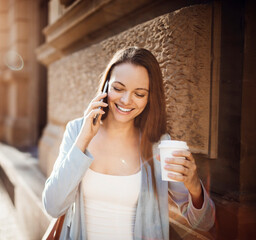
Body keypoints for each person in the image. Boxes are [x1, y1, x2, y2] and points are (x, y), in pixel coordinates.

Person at [42, 47, 215, 240]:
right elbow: (53, 206)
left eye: (139, 94)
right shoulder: (76, 131)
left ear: (150, 97)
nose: (126, 100)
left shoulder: (159, 146)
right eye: (118, 88)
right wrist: (83, 139)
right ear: (106, 84)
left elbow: (205, 222)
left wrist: (194, 188)